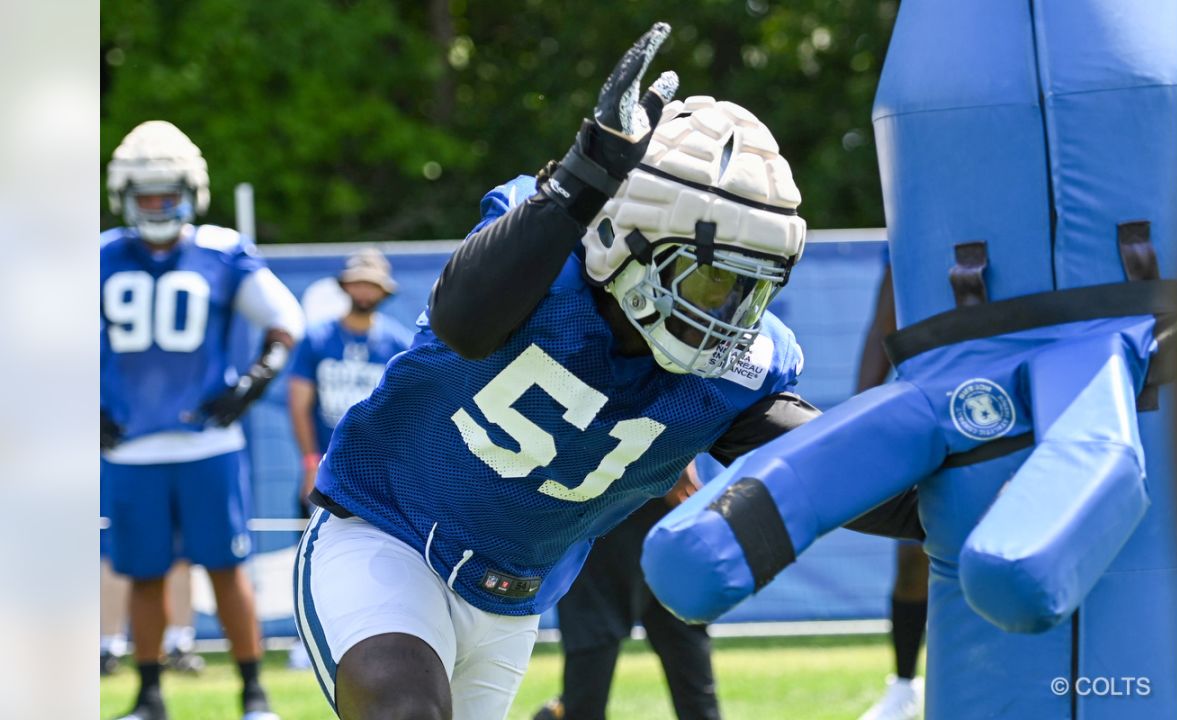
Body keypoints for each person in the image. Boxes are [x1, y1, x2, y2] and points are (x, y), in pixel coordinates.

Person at [293, 23, 921, 720]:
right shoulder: (542, 257)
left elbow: (836, 471)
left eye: (753, 289)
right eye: (715, 282)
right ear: (634, 240)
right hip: (387, 534)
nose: (733, 314)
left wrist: (983, 484)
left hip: (509, 601)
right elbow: (462, 321)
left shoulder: (732, 372)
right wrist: (582, 176)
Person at [101, 120, 304, 720]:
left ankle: (253, 692)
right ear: (125, 197)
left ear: (192, 191)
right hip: (131, 445)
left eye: (169, 195)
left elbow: (284, 321)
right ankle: (149, 693)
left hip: (206, 443)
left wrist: (252, 382)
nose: (159, 207)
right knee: (144, 574)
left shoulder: (221, 251)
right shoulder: (101, 255)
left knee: (226, 567)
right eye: (148, 197)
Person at [285, 247, 412, 669]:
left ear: (384, 290)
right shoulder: (318, 337)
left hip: (379, 473)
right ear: (345, 286)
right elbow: (299, 402)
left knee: (383, 560)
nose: (364, 289)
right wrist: (308, 460)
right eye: (358, 281)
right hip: (325, 468)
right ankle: (309, 639)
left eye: (372, 282)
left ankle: (378, 643)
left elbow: (405, 410)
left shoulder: (395, 341)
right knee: (313, 555)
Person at [533, 463, 720, 720]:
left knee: (691, 668)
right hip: (603, 520)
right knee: (590, 676)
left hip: (664, 522)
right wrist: (679, 465)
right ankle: (557, 714)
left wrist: (681, 463)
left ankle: (555, 714)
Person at [853, 263, 927, 720]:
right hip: (927, 399)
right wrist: (860, 412)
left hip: (1004, 392)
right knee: (913, 554)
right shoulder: (917, 222)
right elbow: (885, 319)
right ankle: (904, 685)